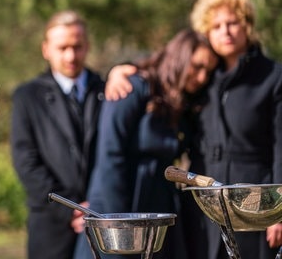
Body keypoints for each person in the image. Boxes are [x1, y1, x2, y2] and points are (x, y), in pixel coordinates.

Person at [105, 0, 282, 259]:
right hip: (202, 204)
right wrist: (122, 69)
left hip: (255, 203)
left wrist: (278, 212)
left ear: (246, 25)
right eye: (216, 26)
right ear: (206, 32)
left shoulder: (273, 77)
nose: (226, 31)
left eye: (232, 23)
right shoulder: (202, 77)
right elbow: (163, 73)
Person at [79, 29, 218, 259]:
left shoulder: (182, 103)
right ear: (179, 58)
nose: (202, 77)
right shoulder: (132, 86)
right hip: (119, 204)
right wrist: (116, 222)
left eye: (208, 71)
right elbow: (110, 155)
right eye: (197, 66)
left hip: (159, 208)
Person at [10, 11, 105, 259]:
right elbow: (26, 162)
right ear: (46, 49)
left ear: (88, 47)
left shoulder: (107, 91)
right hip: (50, 226)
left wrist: (97, 206)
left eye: (77, 47)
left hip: (104, 221)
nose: (71, 56)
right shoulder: (27, 97)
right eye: (62, 48)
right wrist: (71, 209)